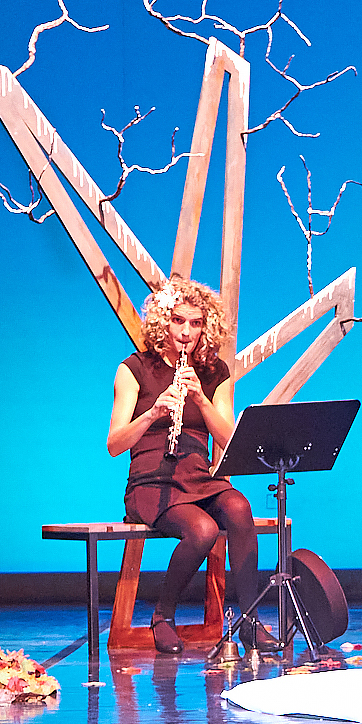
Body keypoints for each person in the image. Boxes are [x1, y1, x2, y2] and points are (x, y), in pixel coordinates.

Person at [107, 277, 266, 657]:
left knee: (239, 507)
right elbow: (114, 444)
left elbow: (229, 438)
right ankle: (163, 615)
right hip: (151, 482)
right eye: (178, 321)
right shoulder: (134, 369)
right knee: (202, 529)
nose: (186, 332)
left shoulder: (214, 373)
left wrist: (201, 400)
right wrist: (153, 412)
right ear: (163, 321)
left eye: (196, 324)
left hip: (199, 477)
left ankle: (250, 619)